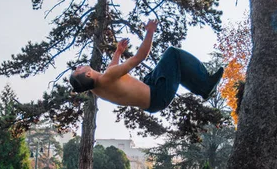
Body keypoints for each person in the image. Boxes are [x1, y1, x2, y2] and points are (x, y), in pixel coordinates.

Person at [69, 19, 224, 113]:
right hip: (158, 95)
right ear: (88, 75)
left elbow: (112, 71)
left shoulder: (98, 88)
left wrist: (118, 52)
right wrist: (150, 32)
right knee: (173, 54)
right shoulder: (107, 77)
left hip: (150, 94)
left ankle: (202, 87)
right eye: (78, 70)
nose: (78, 66)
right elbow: (139, 57)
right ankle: (205, 86)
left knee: (174, 68)